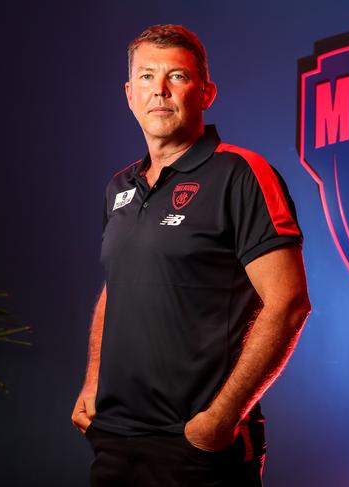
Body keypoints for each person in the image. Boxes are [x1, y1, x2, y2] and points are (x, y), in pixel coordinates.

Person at [70, 24, 311, 487]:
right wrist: (93, 381)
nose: (159, 90)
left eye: (176, 76)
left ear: (206, 91)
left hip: (196, 445)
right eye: (145, 77)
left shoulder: (240, 174)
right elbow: (117, 287)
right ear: (128, 93)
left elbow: (289, 304)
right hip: (116, 439)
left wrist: (221, 418)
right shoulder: (119, 187)